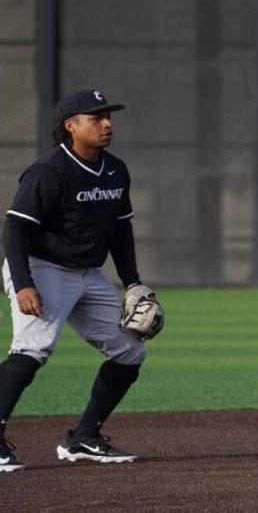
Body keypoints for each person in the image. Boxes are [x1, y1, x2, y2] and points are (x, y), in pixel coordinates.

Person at [0, 89, 156, 471]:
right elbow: (14, 230)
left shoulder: (116, 169)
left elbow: (121, 231)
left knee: (131, 350)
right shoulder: (49, 172)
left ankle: (83, 438)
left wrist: (133, 283)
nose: (107, 124)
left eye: (108, 117)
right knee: (33, 348)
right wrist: (23, 283)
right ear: (70, 126)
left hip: (88, 273)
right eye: (96, 117)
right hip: (42, 268)